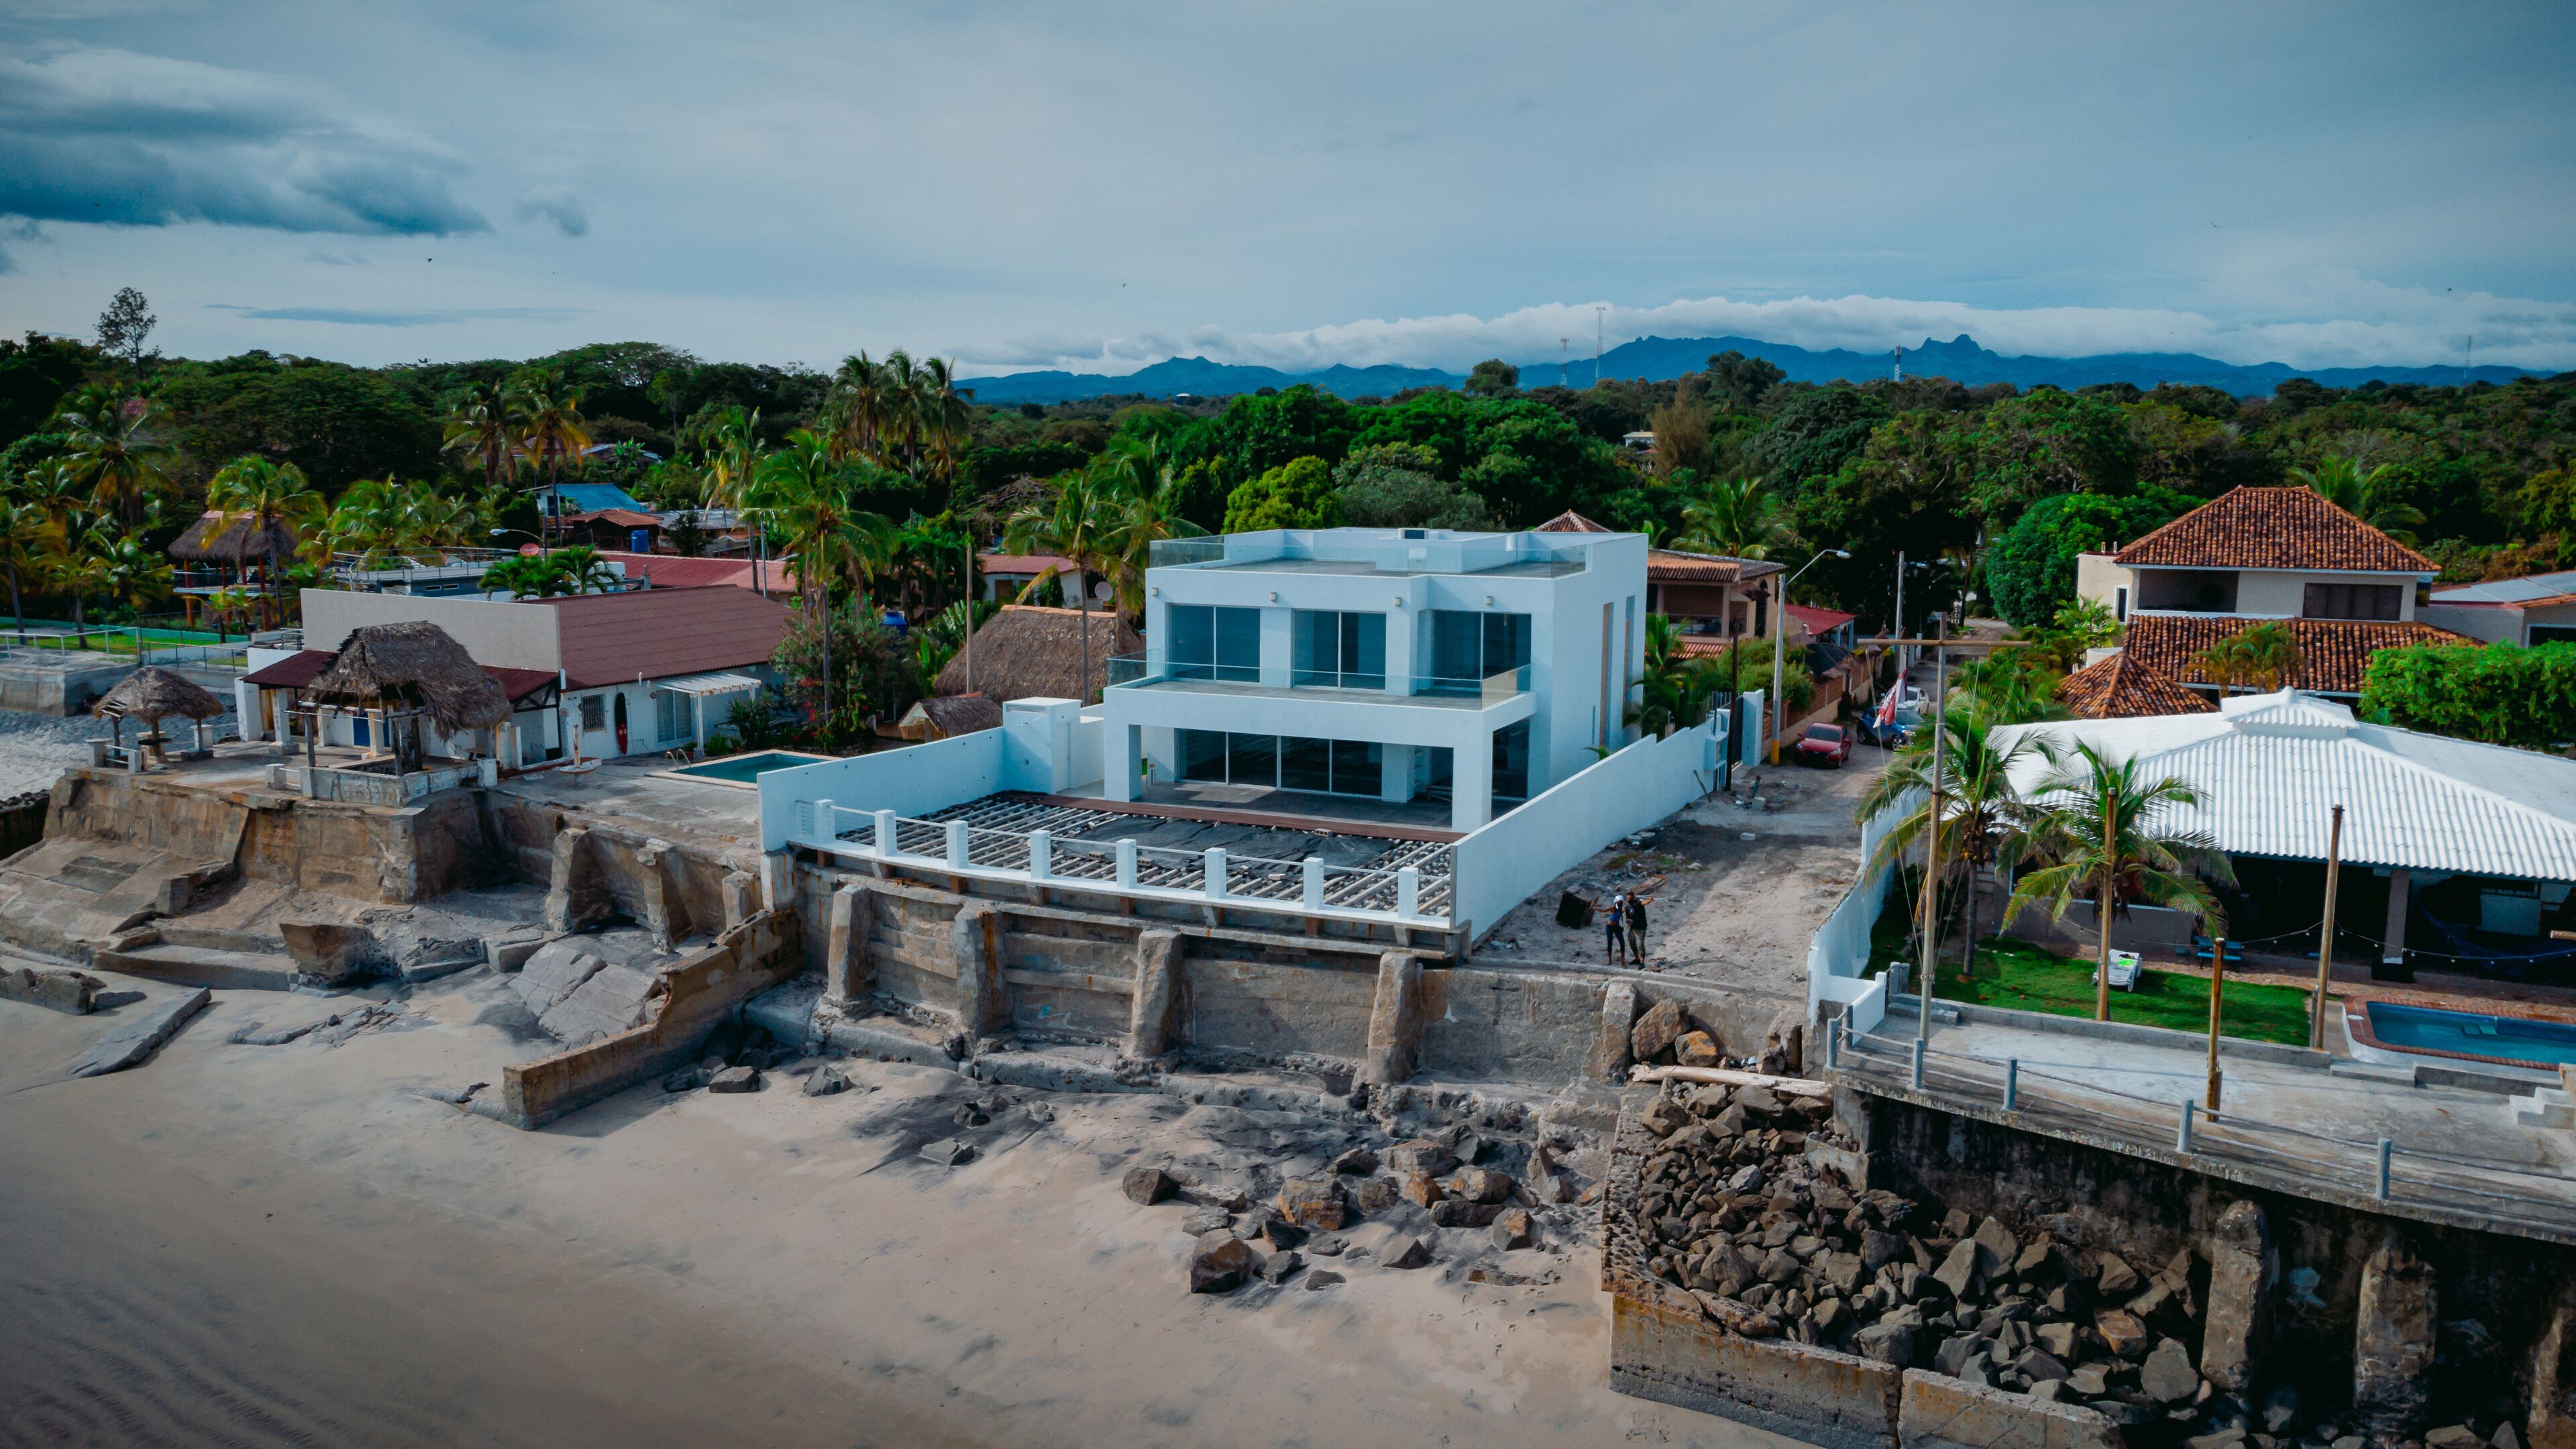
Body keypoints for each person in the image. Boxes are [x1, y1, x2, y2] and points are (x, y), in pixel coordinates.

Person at [1603, 892, 1628, 966]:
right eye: (1619, 901)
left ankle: (1622, 960)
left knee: (1622, 943)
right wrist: (1595, 908)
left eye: (1621, 901)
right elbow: (1604, 910)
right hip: (1609, 927)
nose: (1620, 903)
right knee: (1609, 943)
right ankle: (1610, 960)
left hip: (1616, 927)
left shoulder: (1621, 909)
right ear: (1616, 902)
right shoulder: (1613, 908)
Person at [1625, 891, 1651, 962]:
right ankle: (1637, 958)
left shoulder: (1638, 902)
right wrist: (1628, 922)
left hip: (1641, 927)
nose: (1628, 900)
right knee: (1632, 943)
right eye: (1628, 898)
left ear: (1634, 897)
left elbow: (1644, 903)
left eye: (1630, 898)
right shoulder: (1627, 907)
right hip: (1633, 927)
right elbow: (1627, 918)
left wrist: (1650, 900)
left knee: (1640, 944)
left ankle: (1642, 961)